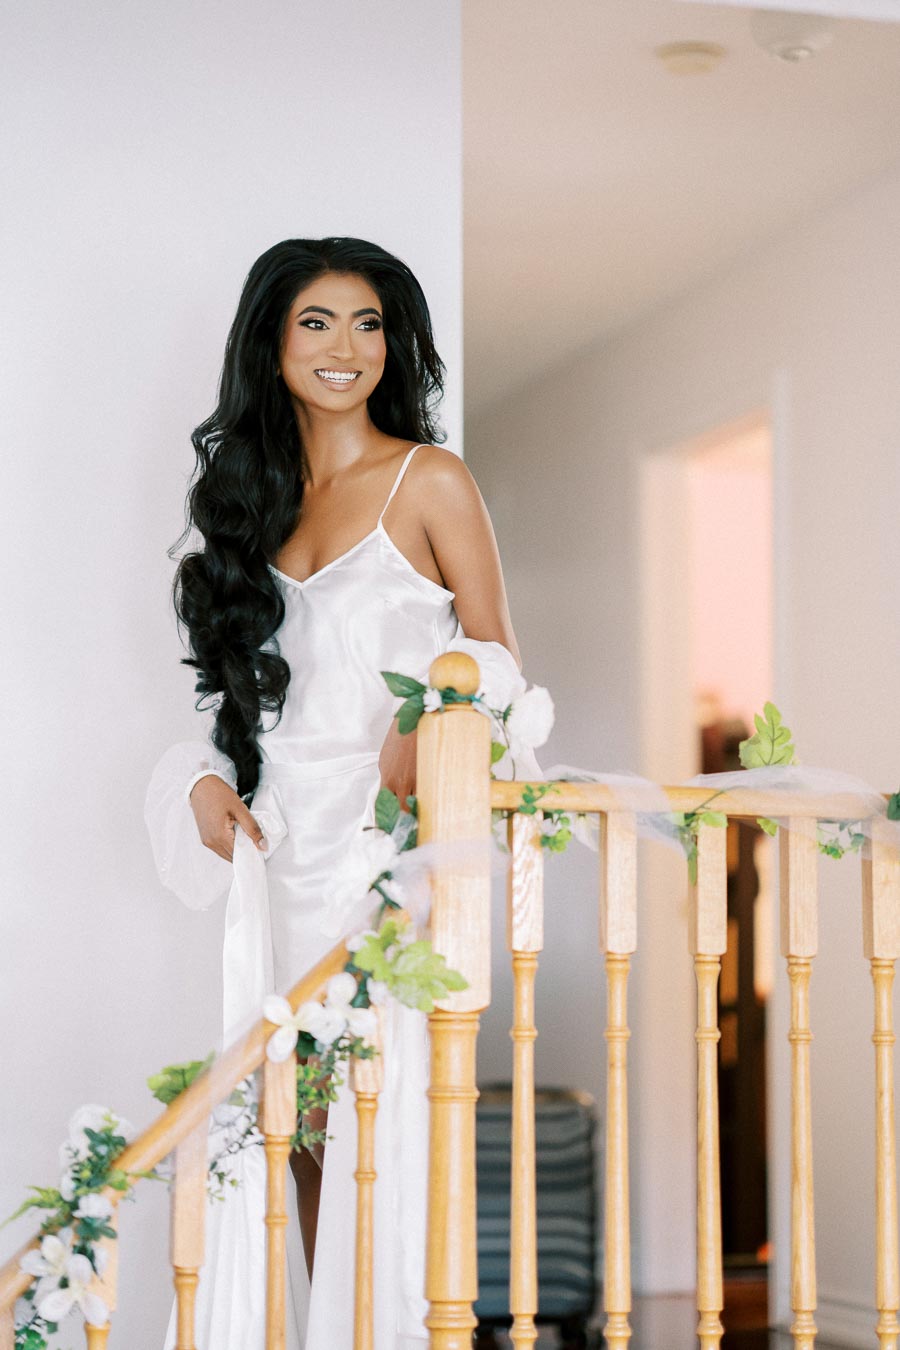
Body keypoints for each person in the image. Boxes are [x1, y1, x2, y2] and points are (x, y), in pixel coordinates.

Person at [145, 236, 533, 1350]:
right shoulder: (248, 509)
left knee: (393, 1121)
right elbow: (243, 709)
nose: (346, 348)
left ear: (393, 344)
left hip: (384, 850)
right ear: (271, 344)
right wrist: (205, 789)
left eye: (369, 323)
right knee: (296, 1133)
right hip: (280, 860)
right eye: (317, 321)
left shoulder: (430, 479)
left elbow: (499, 656)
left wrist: (429, 710)